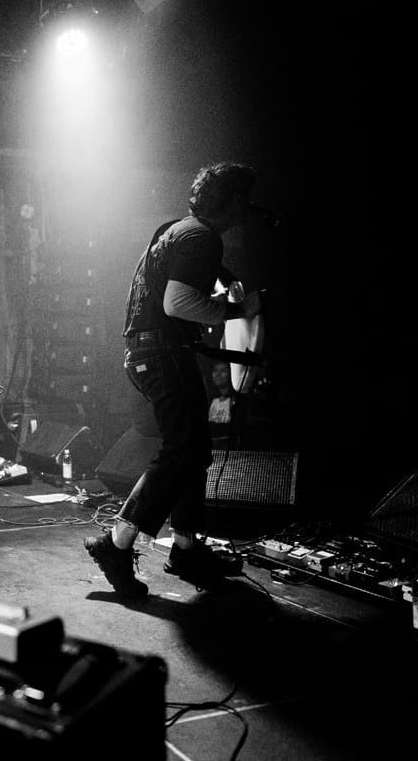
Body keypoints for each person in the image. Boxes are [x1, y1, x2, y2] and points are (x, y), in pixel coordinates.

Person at [85, 162, 263, 595]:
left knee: (194, 450)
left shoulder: (180, 230)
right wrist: (240, 310)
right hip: (162, 353)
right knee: (183, 447)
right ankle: (116, 543)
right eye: (245, 199)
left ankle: (185, 547)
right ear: (233, 201)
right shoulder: (201, 238)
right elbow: (178, 303)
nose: (248, 207)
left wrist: (226, 282)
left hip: (155, 352)